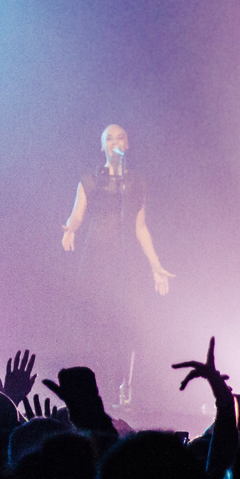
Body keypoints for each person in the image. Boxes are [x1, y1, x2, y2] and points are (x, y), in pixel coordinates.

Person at [61, 124, 174, 398]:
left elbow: (141, 227)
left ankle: (127, 385)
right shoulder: (90, 180)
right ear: (102, 146)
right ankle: (102, 388)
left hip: (125, 263)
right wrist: (70, 228)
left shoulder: (136, 182)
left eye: (119, 137)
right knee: (98, 324)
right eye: (109, 139)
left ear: (127, 144)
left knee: (128, 323)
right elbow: (77, 214)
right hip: (96, 261)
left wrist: (155, 265)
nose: (114, 142)